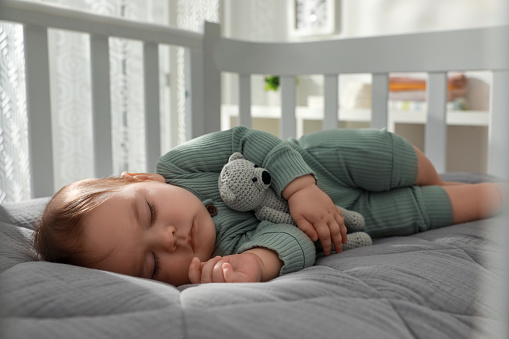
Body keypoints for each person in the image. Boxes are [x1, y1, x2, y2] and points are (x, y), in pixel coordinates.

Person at [34, 127, 504, 286]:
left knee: (398, 158)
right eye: (153, 264)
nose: (170, 239)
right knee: (446, 207)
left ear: (140, 179)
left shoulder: (178, 163)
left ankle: (433, 172)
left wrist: (300, 188)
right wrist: (258, 264)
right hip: (358, 224)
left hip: (326, 164)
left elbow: (247, 139)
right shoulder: (225, 256)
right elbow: (294, 238)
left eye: (149, 214)